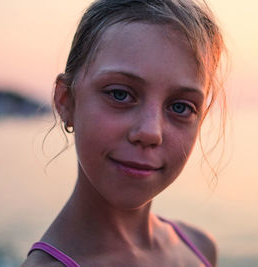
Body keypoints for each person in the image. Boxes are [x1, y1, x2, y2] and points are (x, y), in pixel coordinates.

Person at [22, 0, 226, 266]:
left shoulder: (200, 248)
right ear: (66, 101)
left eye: (180, 107)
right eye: (120, 94)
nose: (150, 132)